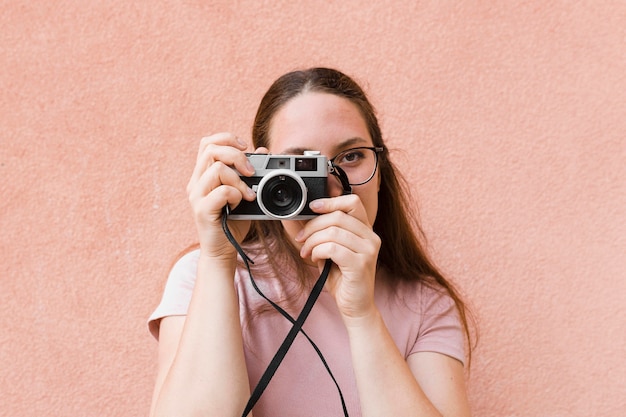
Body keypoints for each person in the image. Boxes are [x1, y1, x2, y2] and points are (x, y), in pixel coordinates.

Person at [148, 67, 473, 417]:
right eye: (302, 164)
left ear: (380, 172)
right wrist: (218, 258)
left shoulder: (425, 305)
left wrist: (361, 314)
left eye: (351, 157)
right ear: (263, 175)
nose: (329, 183)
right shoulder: (204, 275)